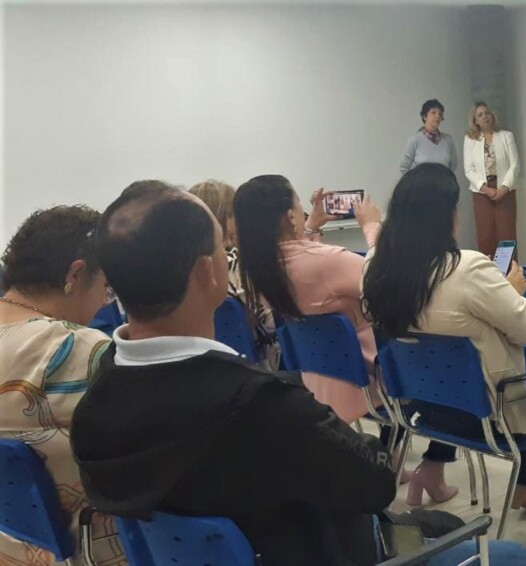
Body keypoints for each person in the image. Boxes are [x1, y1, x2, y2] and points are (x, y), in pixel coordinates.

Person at [70, 181, 396, 566]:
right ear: (208, 271)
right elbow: (376, 485)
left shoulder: (94, 406)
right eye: (222, 248)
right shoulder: (267, 407)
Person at [363, 163, 526, 527]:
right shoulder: (467, 269)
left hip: (426, 410)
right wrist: (514, 291)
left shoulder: (374, 269)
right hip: (490, 414)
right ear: (445, 216)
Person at [0, 206, 126, 566]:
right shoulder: (80, 349)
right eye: (105, 287)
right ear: (75, 273)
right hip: (90, 551)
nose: (104, 301)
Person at [233, 175, 384, 425]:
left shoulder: (258, 271)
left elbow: (310, 270)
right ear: (291, 217)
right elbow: (387, 280)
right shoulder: (328, 262)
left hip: (320, 378)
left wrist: (311, 227)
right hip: (371, 378)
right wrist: (372, 227)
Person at [188, 180, 278, 366]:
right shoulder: (237, 265)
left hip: (202, 363)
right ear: (222, 220)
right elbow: (270, 326)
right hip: (254, 369)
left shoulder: (183, 269)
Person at [463, 102, 520, 258]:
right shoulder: (470, 140)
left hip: (504, 191)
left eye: (487, 113)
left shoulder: (506, 136)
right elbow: (468, 170)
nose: (485, 117)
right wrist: (485, 189)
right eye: (480, 115)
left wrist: (504, 187)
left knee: (507, 234)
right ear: (475, 120)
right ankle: (489, 276)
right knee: (486, 235)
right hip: (482, 193)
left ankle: (510, 276)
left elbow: (514, 165)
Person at [401, 99, 459, 174]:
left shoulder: (448, 140)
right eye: (433, 113)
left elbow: (453, 165)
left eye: (440, 114)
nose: (437, 116)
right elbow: (404, 167)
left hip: (442, 184)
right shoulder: (414, 140)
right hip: (421, 185)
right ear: (425, 116)